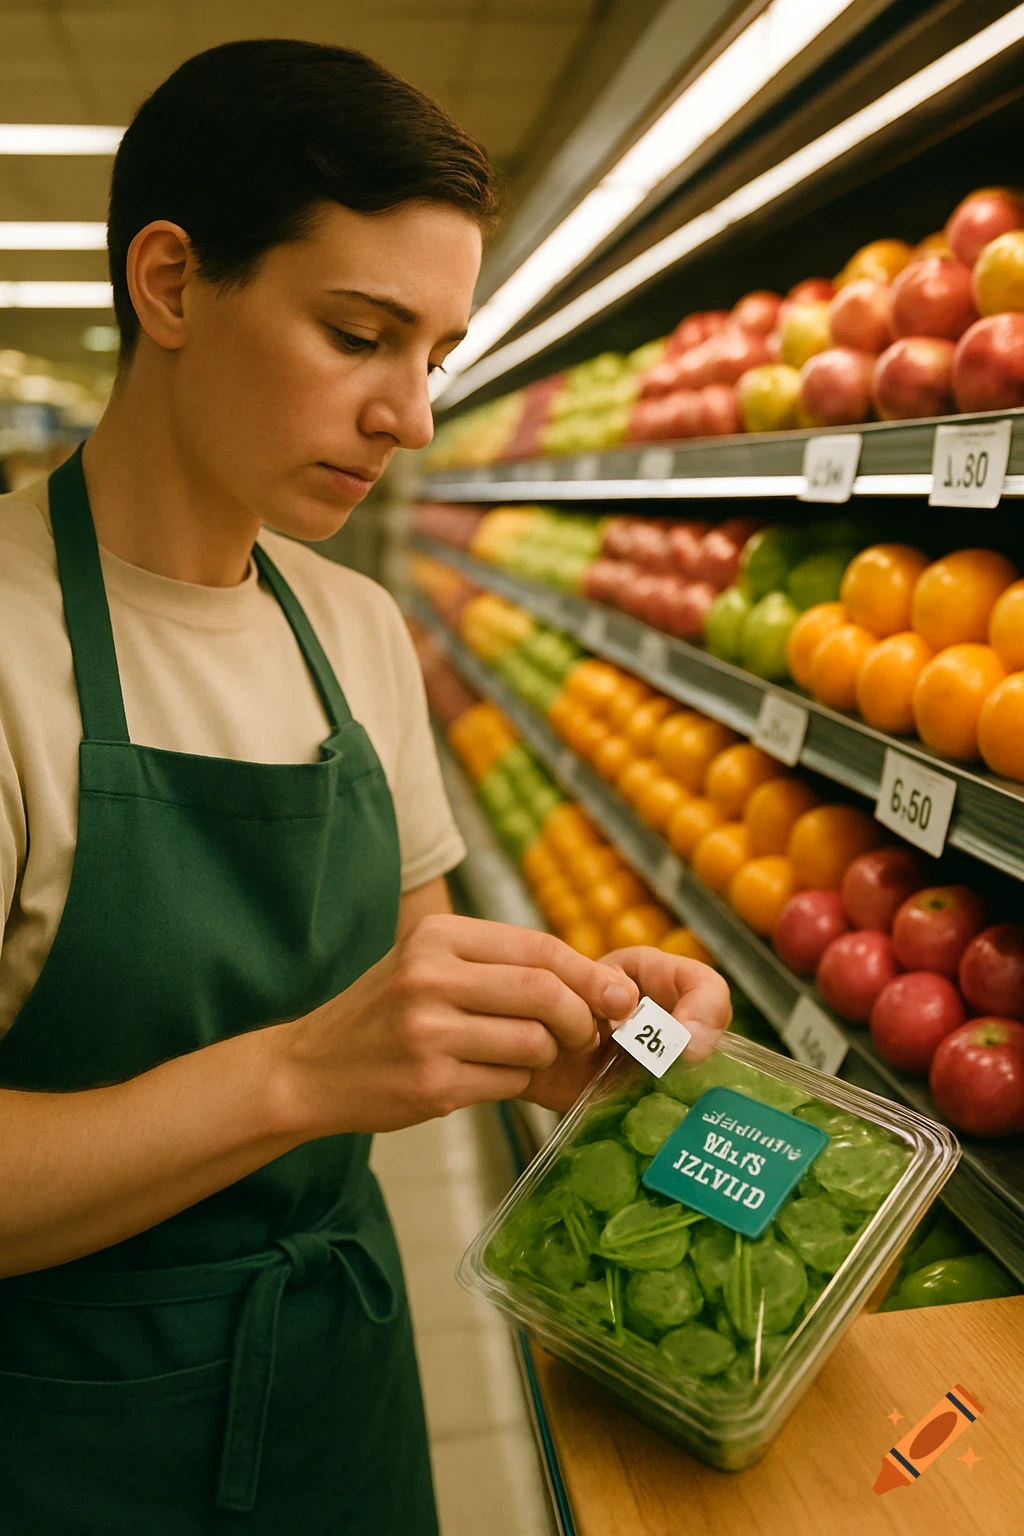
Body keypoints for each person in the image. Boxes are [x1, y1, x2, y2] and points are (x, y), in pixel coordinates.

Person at [0, 38, 731, 1535]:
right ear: (173, 283)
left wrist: (574, 1034)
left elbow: (420, 976)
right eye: (358, 335)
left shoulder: (354, 631)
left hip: (341, 1395)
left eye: (436, 357)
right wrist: (303, 1078)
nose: (415, 418)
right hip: (67, 1440)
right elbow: (333, 1058)